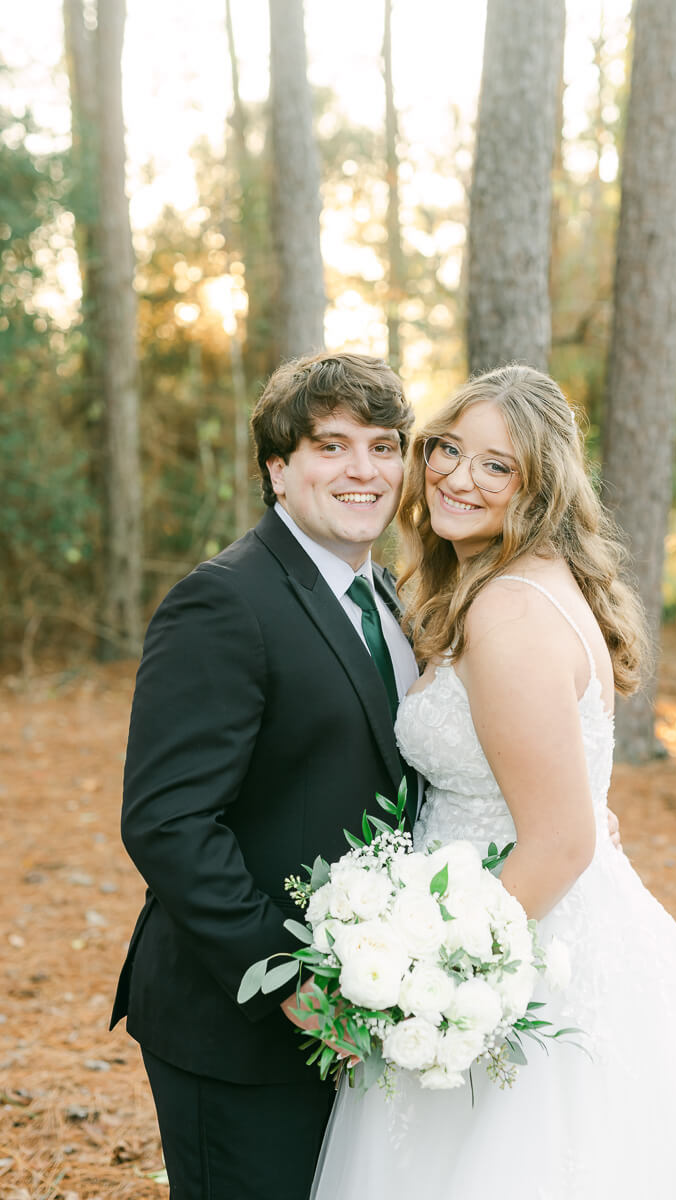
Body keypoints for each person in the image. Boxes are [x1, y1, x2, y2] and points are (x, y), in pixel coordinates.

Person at [311, 364, 676, 1200]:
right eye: (448, 449)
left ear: (538, 487)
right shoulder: (507, 587)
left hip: (509, 948)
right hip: (527, 915)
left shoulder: (509, 610)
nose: (458, 477)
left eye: (496, 466)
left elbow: (563, 840)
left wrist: (431, 986)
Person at [110, 352, 420, 1200]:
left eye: (385, 446)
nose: (365, 470)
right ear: (278, 469)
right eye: (333, 446)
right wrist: (285, 982)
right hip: (238, 1024)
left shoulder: (387, 597)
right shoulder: (223, 602)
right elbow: (168, 823)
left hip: (362, 1010)